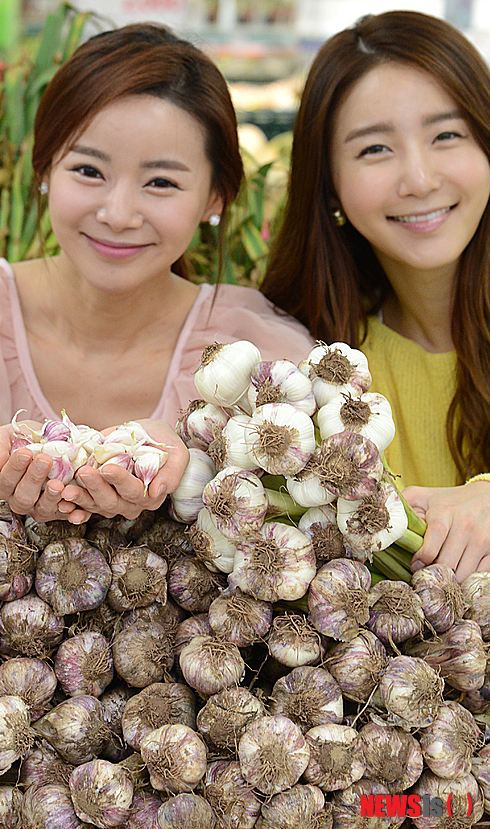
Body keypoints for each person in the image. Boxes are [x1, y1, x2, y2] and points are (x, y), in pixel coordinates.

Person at [0, 22, 314, 525]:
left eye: (161, 181)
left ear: (215, 197)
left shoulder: (258, 360)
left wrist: (203, 459)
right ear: (45, 169)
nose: (119, 214)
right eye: (88, 171)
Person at [261, 10, 490, 581]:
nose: (418, 179)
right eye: (374, 149)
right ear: (330, 183)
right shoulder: (318, 364)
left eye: (447, 135)